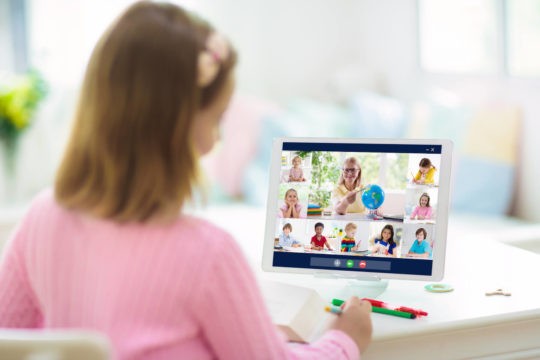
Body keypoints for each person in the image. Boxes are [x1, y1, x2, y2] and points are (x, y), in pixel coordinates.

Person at [0, 2, 372, 359]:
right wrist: (343, 340)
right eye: (215, 121)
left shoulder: (40, 218)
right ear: (176, 129)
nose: (215, 141)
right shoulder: (209, 255)